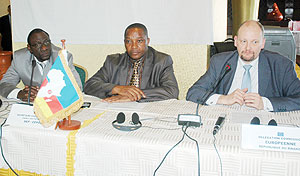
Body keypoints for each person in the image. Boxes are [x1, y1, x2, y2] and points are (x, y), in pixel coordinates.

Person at [186, 20, 300, 112]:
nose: (248, 48)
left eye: (254, 42)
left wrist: (264, 103)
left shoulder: (281, 65)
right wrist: (224, 99)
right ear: (236, 41)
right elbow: (193, 92)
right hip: (226, 119)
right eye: (243, 41)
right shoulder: (220, 62)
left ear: (263, 43)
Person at [84, 23, 179, 103]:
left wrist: (132, 96)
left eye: (139, 41)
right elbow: (89, 85)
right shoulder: (113, 62)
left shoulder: (161, 60)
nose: (134, 46)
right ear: (124, 42)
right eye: (129, 41)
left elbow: (172, 91)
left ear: (147, 41)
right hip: (117, 111)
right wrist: (117, 89)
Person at [0, 28, 82, 102]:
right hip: (31, 106)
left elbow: (77, 87)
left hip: (56, 104)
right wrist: (19, 93)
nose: (44, 48)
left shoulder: (62, 57)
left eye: (47, 42)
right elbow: (4, 84)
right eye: (37, 44)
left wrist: (46, 94)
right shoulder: (20, 58)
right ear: (29, 48)